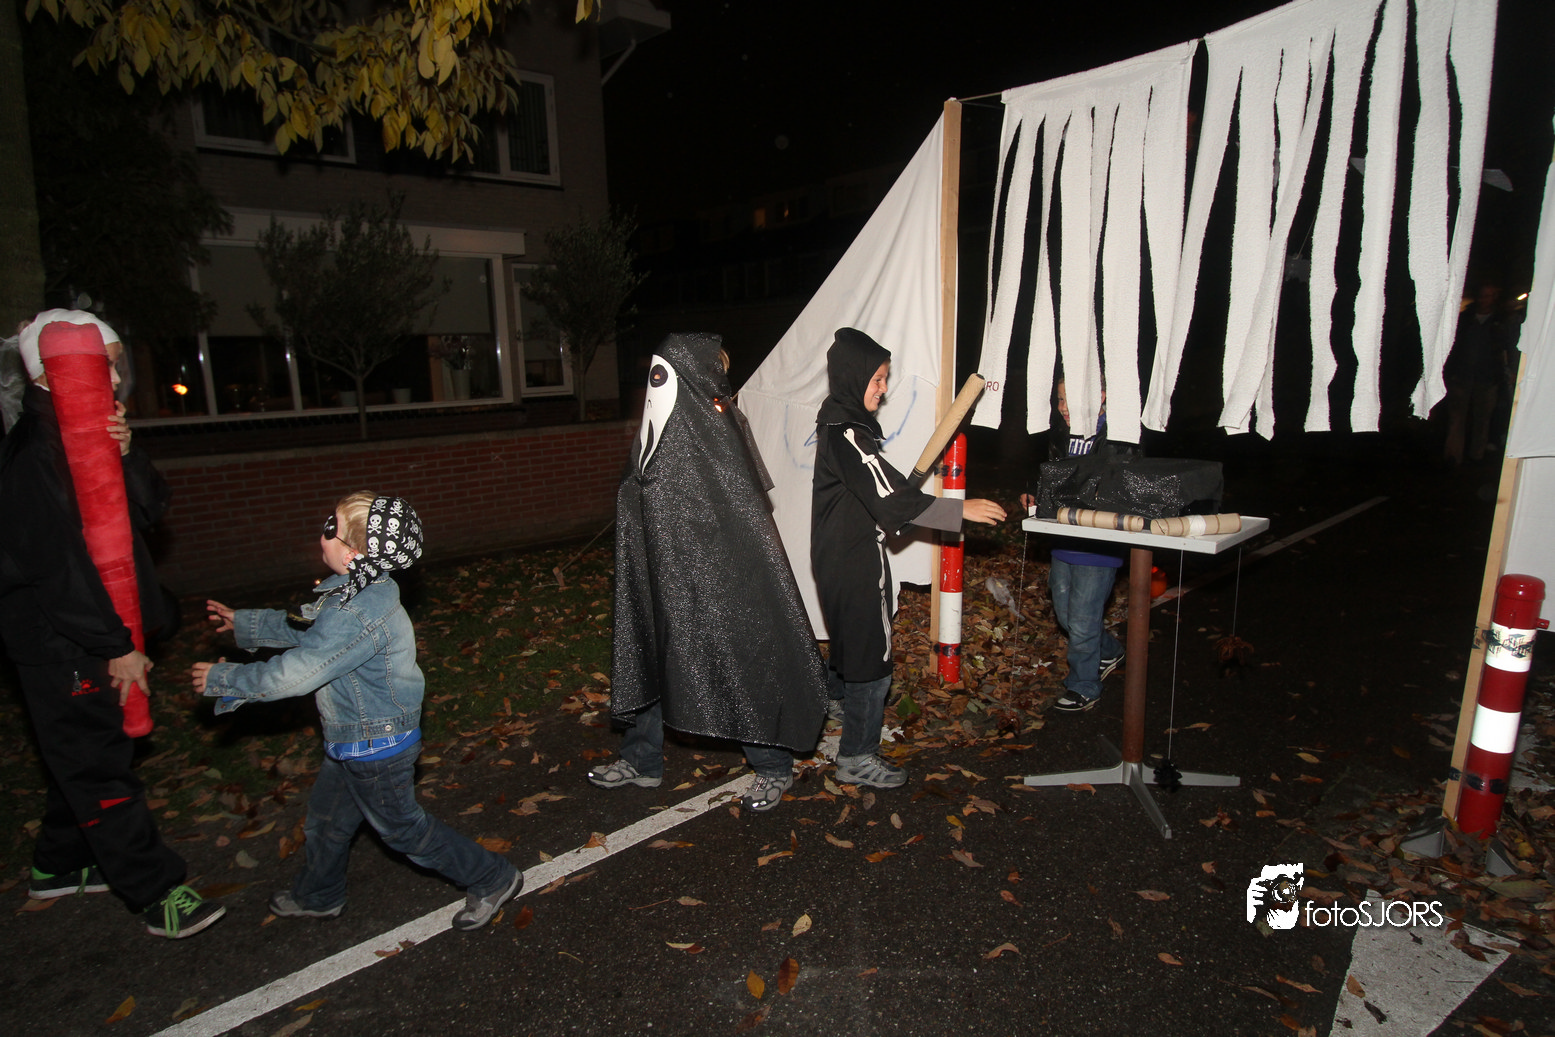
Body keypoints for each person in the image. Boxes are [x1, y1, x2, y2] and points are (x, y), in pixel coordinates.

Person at [192, 492, 521, 929]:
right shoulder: (359, 589)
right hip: (351, 738)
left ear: (351, 553)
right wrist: (246, 623)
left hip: (376, 746)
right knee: (326, 822)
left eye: (330, 527)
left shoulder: (358, 611)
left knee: (403, 830)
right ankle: (319, 895)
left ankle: (492, 876)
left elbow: (299, 672)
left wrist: (227, 679)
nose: (321, 532)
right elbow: (311, 627)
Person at [0, 310, 224, 939]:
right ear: (59, 369)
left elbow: (151, 510)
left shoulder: (83, 434)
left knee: (84, 751)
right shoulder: (31, 456)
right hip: (63, 642)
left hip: (96, 630)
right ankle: (155, 890)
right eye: (109, 363)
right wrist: (116, 645)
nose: (119, 377)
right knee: (98, 764)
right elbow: (57, 572)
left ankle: (58, 864)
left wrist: (124, 455)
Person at [595, 333, 829, 812]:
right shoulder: (657, 425)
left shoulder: (718, 431)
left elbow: (740, 515)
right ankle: (641, 760)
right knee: (651, 653)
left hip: (717, 580)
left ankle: (772, 766)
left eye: (664, 374)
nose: (654, 384)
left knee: (734, 659)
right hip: (659, 573)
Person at [811, 328, 1006, 787]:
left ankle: (837, 701)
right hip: (855, 561)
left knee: (850, 639)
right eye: (877, 379)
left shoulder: (837, 425)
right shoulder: (847, 433)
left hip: (835, 557)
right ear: (853, 376)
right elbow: (891, 497)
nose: (883, 388)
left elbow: (880, 486)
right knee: (873, 661)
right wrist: (959, 510)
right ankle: (857, 756)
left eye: (885, 378)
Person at [1019, 378, 1128, 712]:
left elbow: (1119, 487)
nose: (1063, 408)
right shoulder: (1061, 435)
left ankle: (1084, 685)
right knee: (1067, 614)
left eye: (1070, 399)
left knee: (1082, 620)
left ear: (1101, 396)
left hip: (1099, 544)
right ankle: (1110, 650)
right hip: (1064, 538)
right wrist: (1035, 494)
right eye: (1060, 399)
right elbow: (1051, 477)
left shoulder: (1119, 436)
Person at [1442, 281, 1516, 466]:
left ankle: (1477, 455)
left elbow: (1508, 348)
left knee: (1482, 419)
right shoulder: (1465, 319)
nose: (1485, 299)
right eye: (1483, 295)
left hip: (1488, 378)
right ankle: (1453, 456)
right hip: (1462, 376)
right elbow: (1452, 345)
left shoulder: (1501, 321)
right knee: (1456, 419)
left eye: (1489, 295)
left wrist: (1509, 371)